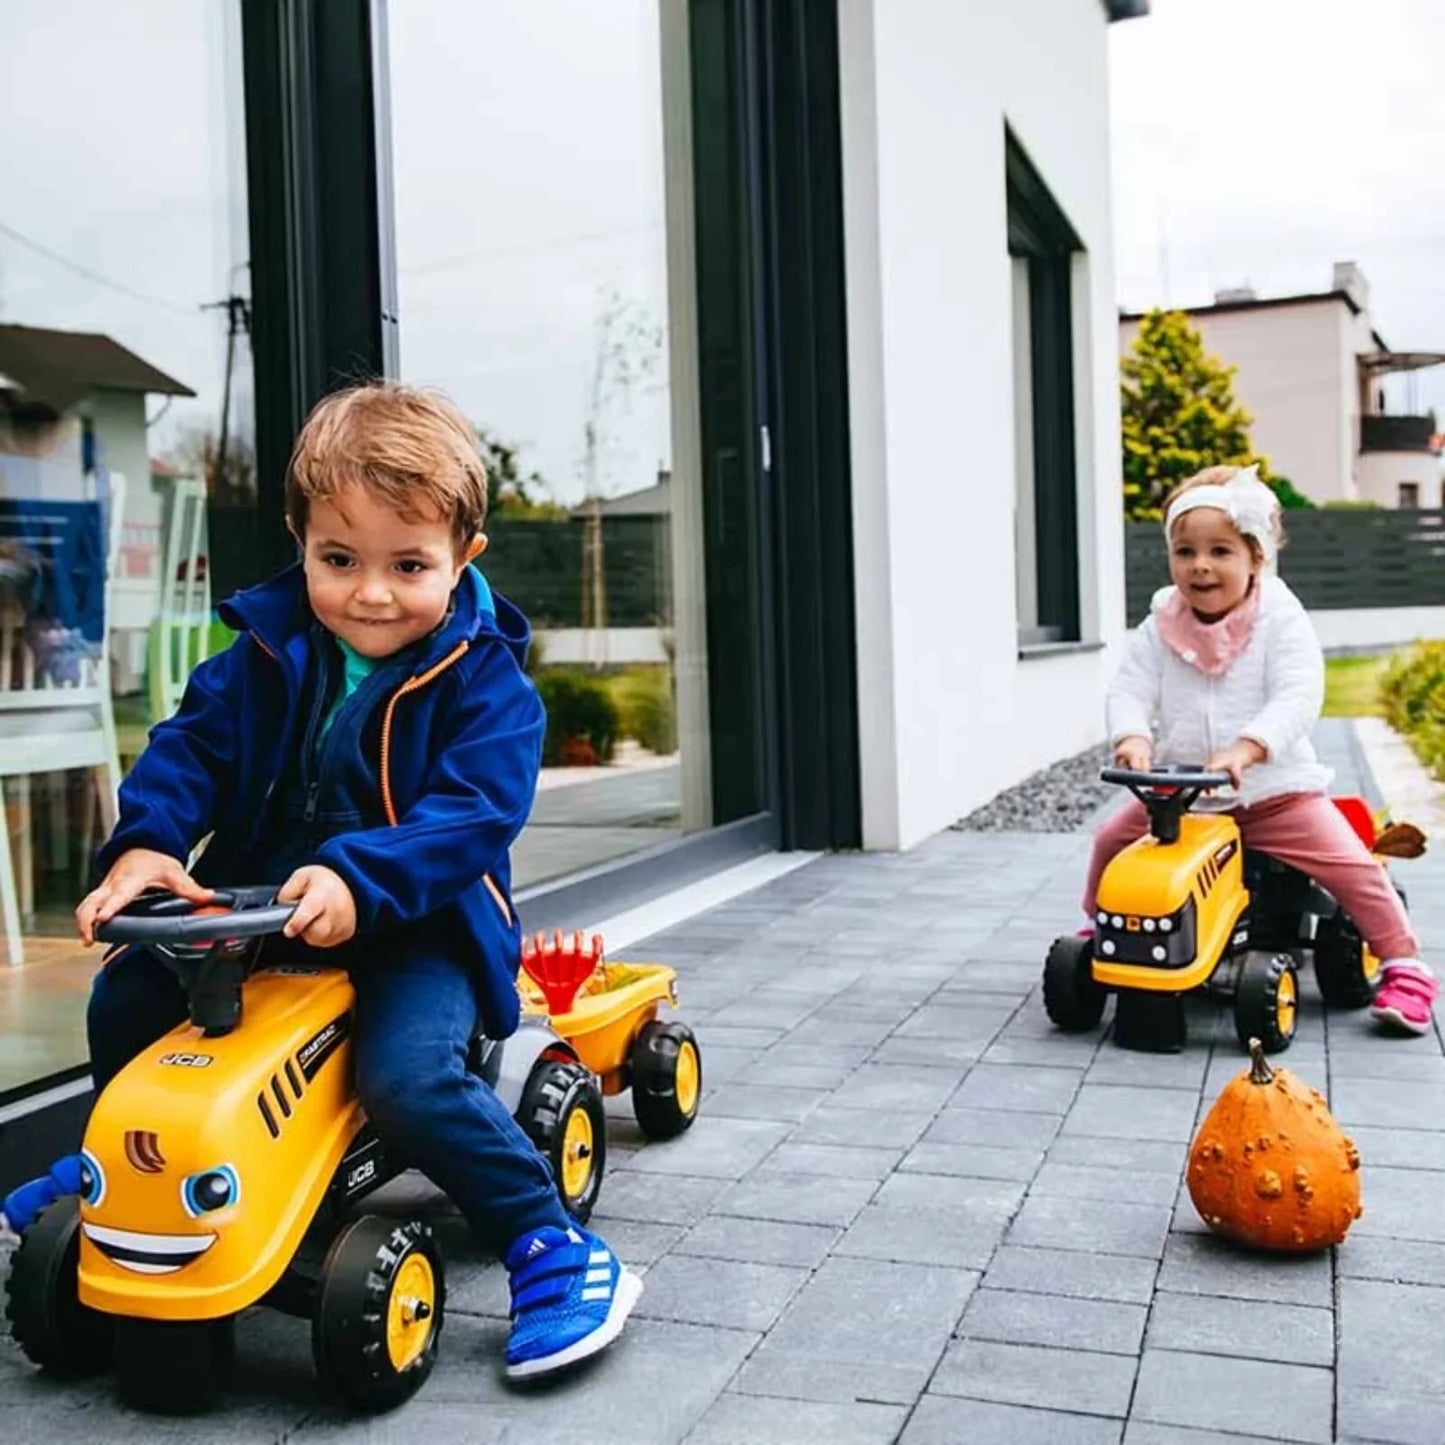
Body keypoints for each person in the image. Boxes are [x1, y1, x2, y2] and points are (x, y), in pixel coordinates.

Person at [1, 382, 641, 1379]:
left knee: (408, 1077)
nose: (370, 592)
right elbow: (186, 749)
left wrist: (354, 875)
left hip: (420, 922)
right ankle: (125, 1162)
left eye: (408, 565)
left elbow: (472, 815)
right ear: (300, 539)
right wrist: (146, 844)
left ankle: (545, 1239)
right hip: (260, 907)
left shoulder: (488, 687)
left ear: (463, 554)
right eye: (339, 559)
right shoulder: (259, 655)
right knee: (129, 994)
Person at [1084, 464, 1437, 1035]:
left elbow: (1299, 693)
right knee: (1110, 842)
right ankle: (1102, 929)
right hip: (1184, 801)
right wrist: (1132, 735)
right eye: (1185, 551)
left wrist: (1249, 747)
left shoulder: (1279, 619)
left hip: (1275, 796)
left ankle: (1404, 964)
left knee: (1352, 866)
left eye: (1220, 551)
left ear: (1256, 558)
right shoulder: (1161, 623)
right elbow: (1130, 686)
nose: (1200, 566)